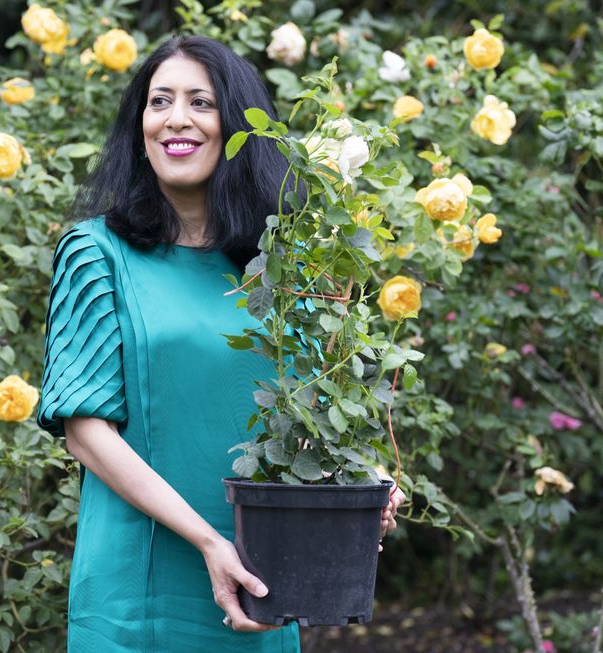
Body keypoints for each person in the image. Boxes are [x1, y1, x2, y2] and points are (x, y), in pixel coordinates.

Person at [37, 34, 404, 653]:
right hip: (140, 594)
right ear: (140, 128)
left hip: (262, 582)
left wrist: (365, 479)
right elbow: (85, 431)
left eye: (200, 103)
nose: (176, 119)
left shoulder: (278, 269)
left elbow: (304, 412)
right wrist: (210, 543)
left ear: (237, 127)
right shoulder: (97, 254)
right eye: (159, 102)